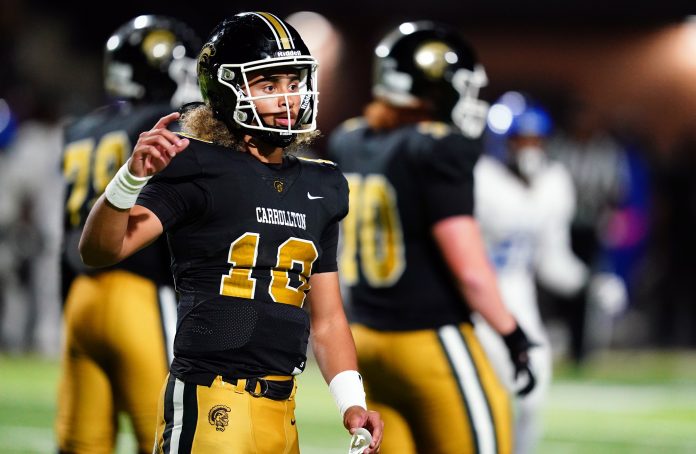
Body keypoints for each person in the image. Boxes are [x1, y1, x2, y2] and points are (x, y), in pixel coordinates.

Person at [78, 12, 383, 454]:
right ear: (227, 89)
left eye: (293, 82)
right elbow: (101, 249)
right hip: (211, 398)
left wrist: (352, 402)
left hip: (284, 410)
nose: (287, 98)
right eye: (268, 85)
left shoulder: (323, 185)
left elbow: (329, 318)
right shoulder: (196, 165)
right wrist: (129, 179)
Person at [329, 21, 535, 454]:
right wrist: (512, 334)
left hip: (365, 341)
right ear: (436, 87)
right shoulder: (439, 147)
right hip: (429, 341)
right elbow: (470, 269)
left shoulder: (350, 139)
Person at [57, 15, 201, 453]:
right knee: (164, 438)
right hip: (139, 294)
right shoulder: (165, 122)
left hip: (82, 296)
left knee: (81, 443)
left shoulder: (80, 129)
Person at [474, 93, 588, 454]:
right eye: (521, 140)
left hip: (518, 295)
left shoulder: (554, 183)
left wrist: (590, 281)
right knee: (487, 395)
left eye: (536, 140)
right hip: (474, 298)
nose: (530, 148)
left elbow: (553, 262)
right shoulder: (480, 179)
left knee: (534, 387)